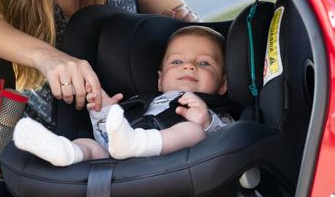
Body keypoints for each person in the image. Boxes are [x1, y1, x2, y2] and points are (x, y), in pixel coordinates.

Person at [0, 0, 201, 130]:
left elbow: (186, 24)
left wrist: (186, 23)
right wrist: (47, 57)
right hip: (52, 139)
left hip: (141, 123)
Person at [13, 26, 236, 166]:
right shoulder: (143, 102)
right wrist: (105, 111)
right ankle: (66, 152)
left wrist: (207, 122)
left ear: (223, 84)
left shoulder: (214, 109)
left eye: (203, 63)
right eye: (177, 62)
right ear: (159, 79)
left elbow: (229, 139)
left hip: (173, 163)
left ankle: (135, 143)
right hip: (117, 154)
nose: (188, 66)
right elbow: (108, 136)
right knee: (89, 143)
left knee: (193, 131)